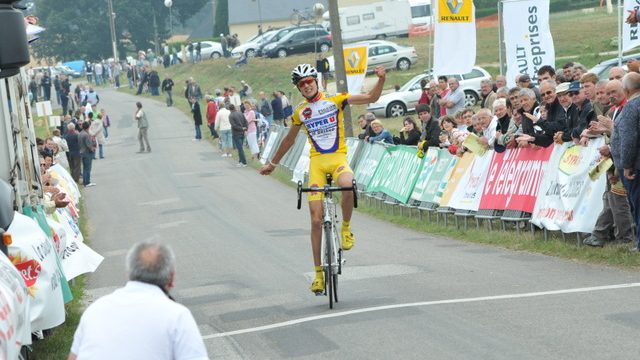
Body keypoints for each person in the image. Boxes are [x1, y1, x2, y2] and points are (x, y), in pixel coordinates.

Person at [259, 63, 386, 294]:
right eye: (301, 84)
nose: (306, 86)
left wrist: (381, 79)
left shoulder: (335, 100)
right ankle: (318, 275)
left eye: (309, 81)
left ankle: (346, 228)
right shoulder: (299, 112)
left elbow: (371, 96)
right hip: (317, 164)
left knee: (348, 184)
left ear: (316, 81)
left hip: (338, 159)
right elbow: (288, 140)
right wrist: (273, 164)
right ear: (298, 88)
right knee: (316, 220)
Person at [68, 242, 209, 360]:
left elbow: (73, 357)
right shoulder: (177, 316)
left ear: (129, 273)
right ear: (171, 279)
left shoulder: (95, 310)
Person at [79, 121, 96, 187]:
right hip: (87, 153)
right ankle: (87, 182)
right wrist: (93, 149)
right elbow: (89, 145)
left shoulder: (80, 133)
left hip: (82, 152)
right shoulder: (86, 135)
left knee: (85, 168)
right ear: (88, 127)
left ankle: (85, 181)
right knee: (88, 168)